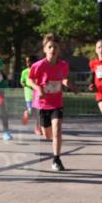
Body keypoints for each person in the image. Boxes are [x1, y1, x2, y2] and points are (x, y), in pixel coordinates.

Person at [28, 33, 73, 171]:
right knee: (47, 135)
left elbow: (63, 78)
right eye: (50, 47)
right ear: (45, 49)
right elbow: (30, 80)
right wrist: (38, 88)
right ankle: (41, 129)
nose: (53, 49)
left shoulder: (64, 65)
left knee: (57, 130)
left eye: (55, 47)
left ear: (59, 50)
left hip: (57, 103)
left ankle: (56, 159)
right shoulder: (38, 65)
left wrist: (68, 83)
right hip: (42, 104)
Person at [20, 55, 42, 135]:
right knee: (31, 111)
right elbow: (22, 81)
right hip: (29, 93)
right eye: (27, 62)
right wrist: (23, 84)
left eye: (30, 62)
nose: (28, 63)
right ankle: (26, 112)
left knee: (38, 112)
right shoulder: (24, 72)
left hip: (37, 93)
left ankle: (37, 128)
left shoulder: (39, 70)